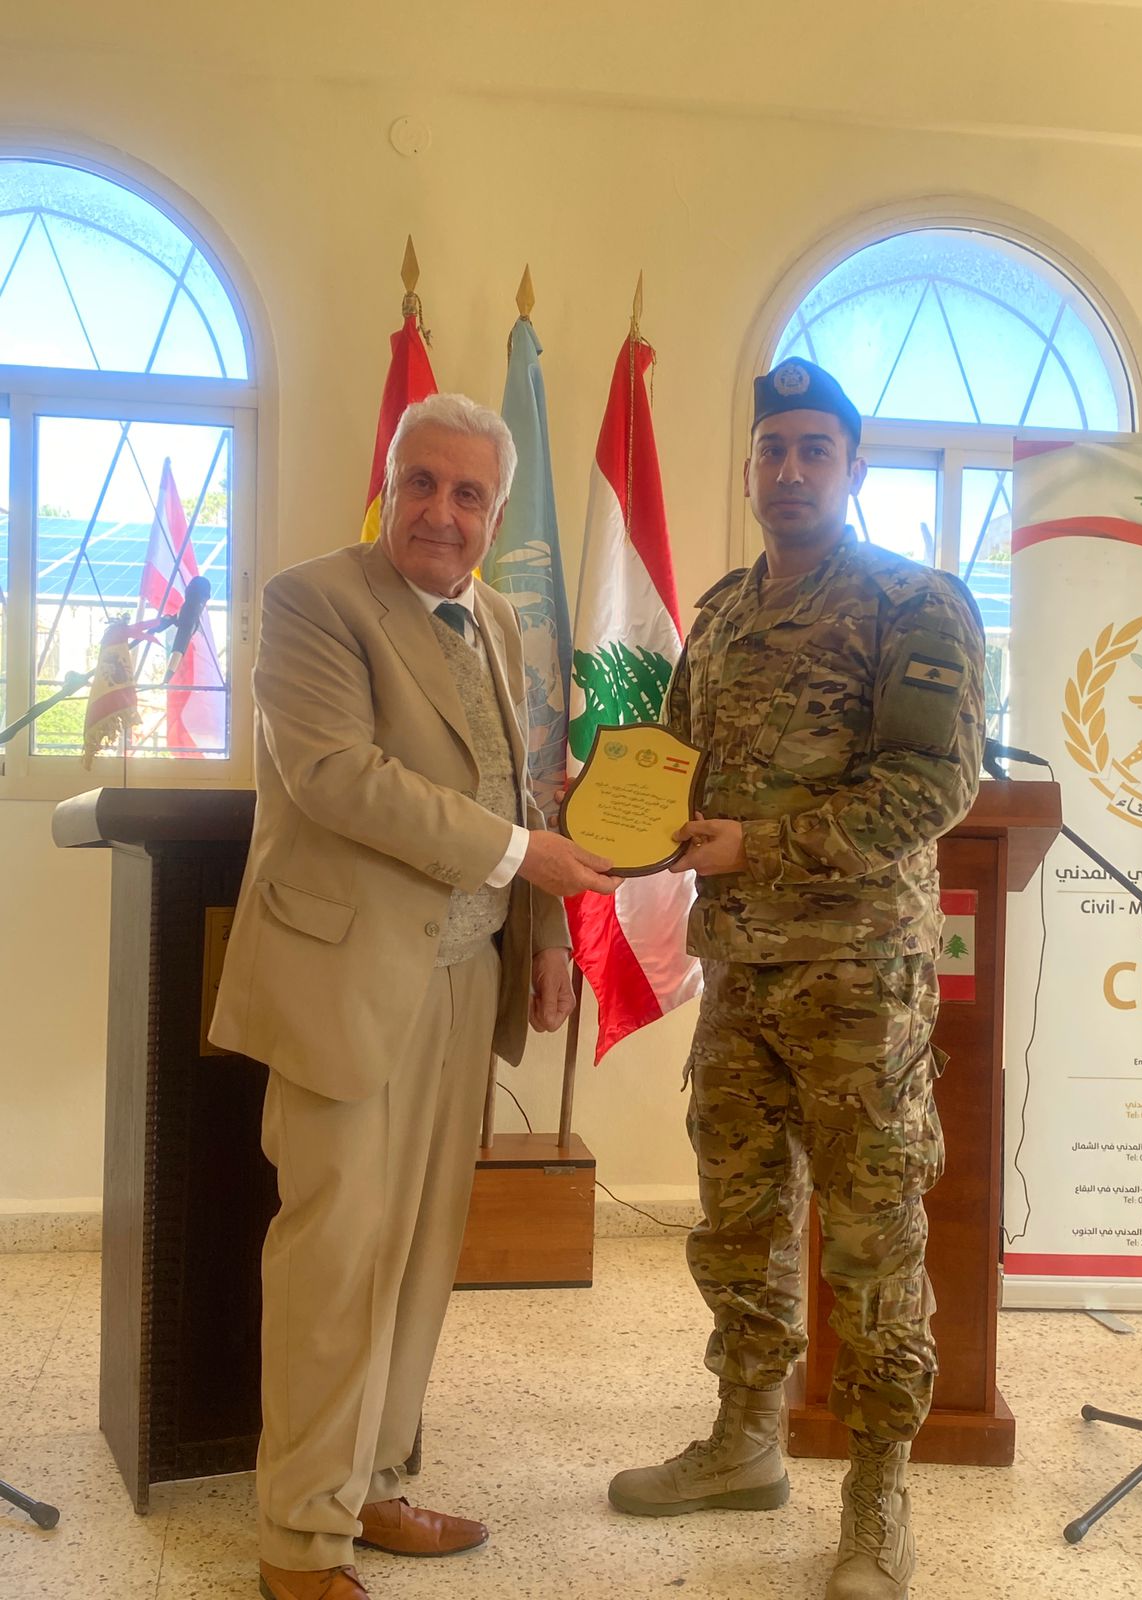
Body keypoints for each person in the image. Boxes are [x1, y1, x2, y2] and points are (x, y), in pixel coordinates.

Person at [210, 393, 617, 1600]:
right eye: (422, 482)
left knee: (423, 1252)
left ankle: (377, 1481)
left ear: (496, 512)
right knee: (335, 1257)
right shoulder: (312, 602)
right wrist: (523, 858)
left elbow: (518, 786)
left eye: (469, 493)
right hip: (345, 981)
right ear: (388, 480)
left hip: (463, 978)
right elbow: (340, 777)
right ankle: (300, 1537)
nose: (443, 511)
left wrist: (544, 931)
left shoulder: (497, 618)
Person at [607, 358, 985, 1600]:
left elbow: (931, 788)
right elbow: (677, 767)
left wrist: (759, 847)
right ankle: (745, 1439)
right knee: (740, 1222)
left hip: (858, 984)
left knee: (872, 1239)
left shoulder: (913, 603)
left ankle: (879, 1489)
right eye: (773, 449)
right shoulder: (720, 614)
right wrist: (616, 811)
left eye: (816, 449)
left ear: (853, 468)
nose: (791, 470)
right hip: (741, 976)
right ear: (751, 467)